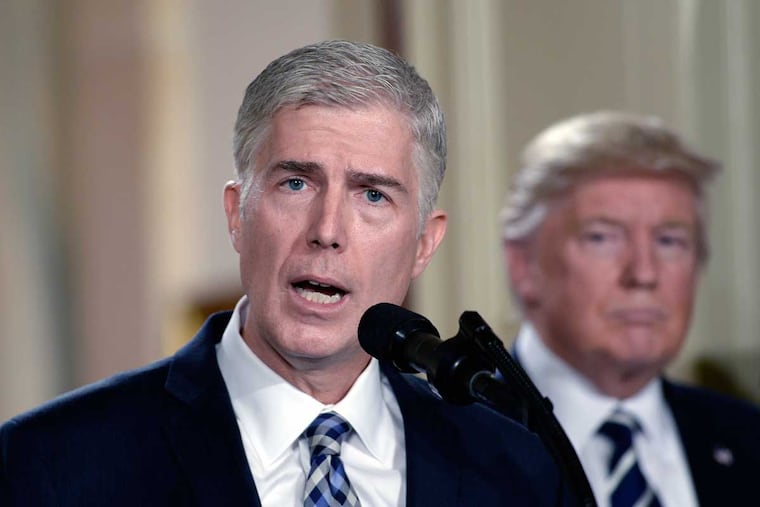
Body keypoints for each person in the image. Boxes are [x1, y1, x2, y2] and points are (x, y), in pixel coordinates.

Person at [1, 40, 569, 506]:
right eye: (295, 183)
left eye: (372, 194)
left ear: (423, 243)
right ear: (237, 215)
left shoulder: (516, 472)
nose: (327, 229)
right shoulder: (48, 465)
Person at [501, 110, 760, 507]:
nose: (643, 273)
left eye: (669, 241)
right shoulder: (441, 436)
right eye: (602, 237)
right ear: (524, 265)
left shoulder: (748, 438)